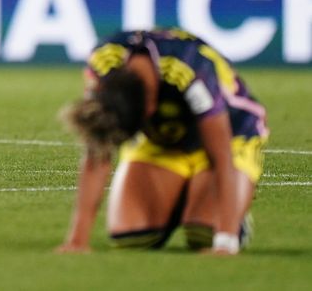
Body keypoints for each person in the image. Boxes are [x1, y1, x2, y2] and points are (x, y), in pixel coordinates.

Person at [58, 28, 269, 255]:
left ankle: (236, 218)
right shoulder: (103, 62)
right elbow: (98, 151)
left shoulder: (189, 68)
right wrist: (78, 240)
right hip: (163, 140)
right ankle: (184, 195)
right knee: (132, 237)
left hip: (232, 135)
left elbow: (222, 155)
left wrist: (226, 241)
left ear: (150, 108)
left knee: (204, 234)